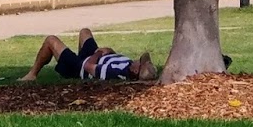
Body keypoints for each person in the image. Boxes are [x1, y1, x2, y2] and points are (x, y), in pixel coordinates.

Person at [19, 27, 160, 82]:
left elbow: (89, 66)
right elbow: (113, 57)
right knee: (85, 32)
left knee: (51, 40)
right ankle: (75, 57)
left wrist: (98, 53)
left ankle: (32, 74)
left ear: (135, 70)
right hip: (93, 56)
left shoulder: (116, 72)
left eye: (140, 62)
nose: (137, 60)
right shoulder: (128, 65)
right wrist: (108, 51)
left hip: (81, 66)